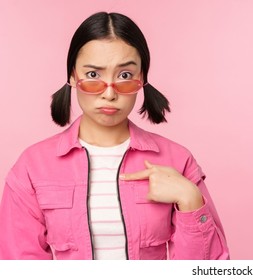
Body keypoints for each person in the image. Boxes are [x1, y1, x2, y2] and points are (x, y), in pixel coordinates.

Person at [0, 11, 229, 260]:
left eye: (125, 76)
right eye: (93, 75)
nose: (109, 93)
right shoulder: (33, 167)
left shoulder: (177, 160)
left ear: (142, 80)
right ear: (72, 77)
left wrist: (190, 200)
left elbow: (211, 269)